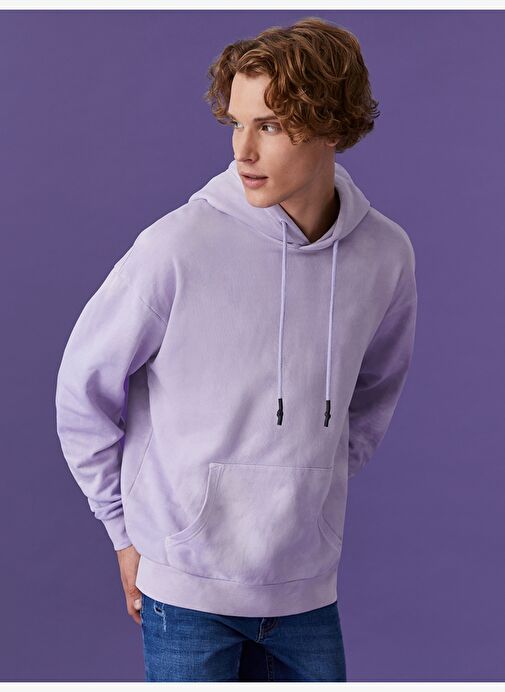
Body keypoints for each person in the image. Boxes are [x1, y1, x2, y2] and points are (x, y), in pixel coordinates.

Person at [55, 16, 417, 682]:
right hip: (185, 590)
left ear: (331, 126)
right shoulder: (176, 247)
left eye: (270, 126)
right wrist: (123, 531)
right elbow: (82, 392)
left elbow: (373, 392)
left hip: (306, 590)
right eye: (235, 124)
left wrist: (308, 486)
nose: (242, 150)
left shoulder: (384, 256)